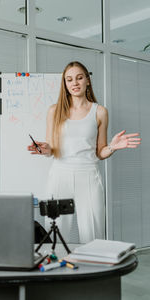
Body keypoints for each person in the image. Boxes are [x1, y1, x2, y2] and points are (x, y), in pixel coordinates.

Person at [27, 61, 141, 244]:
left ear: (87, 80)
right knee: (54, 233)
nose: (75, 83)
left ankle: (96, 270)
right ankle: (55, 271)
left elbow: (100, 152)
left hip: (88, 174)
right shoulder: (54, 111)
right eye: (69, 79)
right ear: (65, 84)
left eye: (79, 78)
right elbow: (51, 148)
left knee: (93, 233)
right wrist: (44, 149)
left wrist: (113, 146)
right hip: (59, 174)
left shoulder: (100, 112)